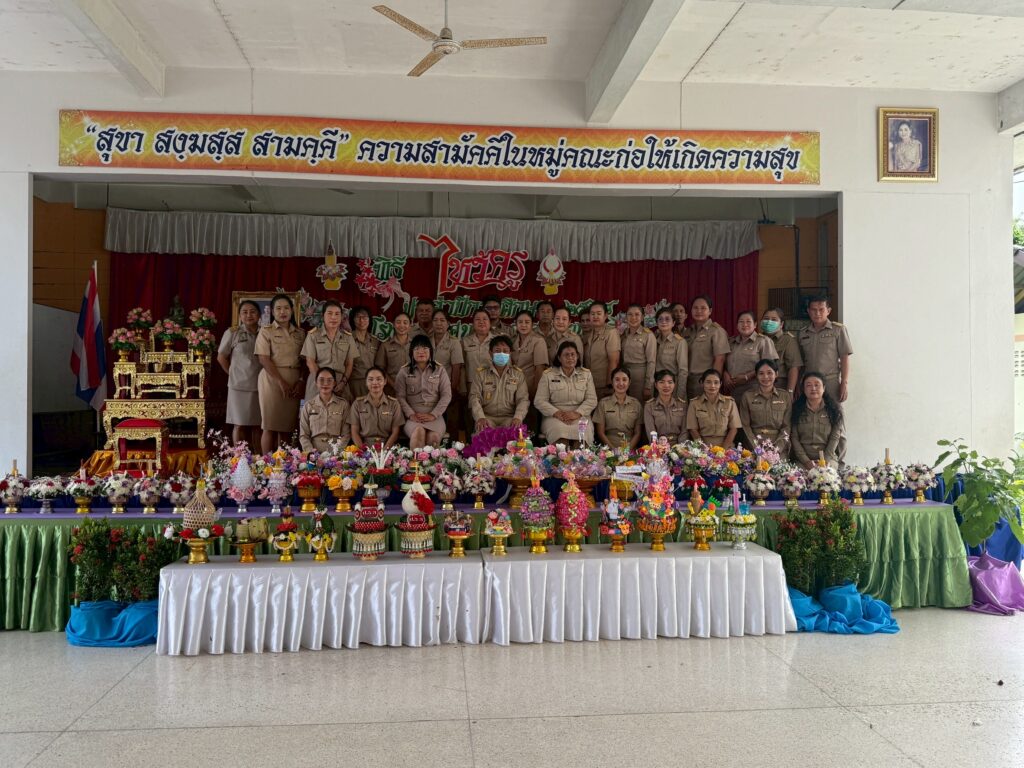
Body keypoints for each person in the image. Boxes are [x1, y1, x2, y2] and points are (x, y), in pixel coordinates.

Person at [254, 293, 306, 453]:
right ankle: (266, 462)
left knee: (287, 426)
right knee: (269, 425)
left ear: (292, 310)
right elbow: (263, 359)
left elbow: (305, 360)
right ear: (272, 312)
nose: (282, 312)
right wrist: (281, 382)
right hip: (271, 379)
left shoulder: (300, 333)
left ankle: (284, 463)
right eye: (278, 308)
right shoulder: (266, 331)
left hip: (294, 379)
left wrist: (301, 381)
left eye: (286, 308)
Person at [217, 299, 262, 447]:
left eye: (252, 312)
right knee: (239, 424)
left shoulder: (265, 333)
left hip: (260, 385)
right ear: (240, 315)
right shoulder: (233, 333)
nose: (249, 315)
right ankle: (240, 456)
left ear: (259, 315)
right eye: (245, 312)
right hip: (239, 386)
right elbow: (221, 357)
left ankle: (259, 456)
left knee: (258, 424)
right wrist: (232, 373)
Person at [534, 341, 598, 446]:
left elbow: (592, 399)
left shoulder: (586, 374)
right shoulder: (548, 375)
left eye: (573, 354)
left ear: (577, 356)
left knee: (582, 437)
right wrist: (557, 413)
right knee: (560, 437)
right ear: (559, 358)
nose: (570, 358)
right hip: (554, 417)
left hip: (580, 416)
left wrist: (576, 413)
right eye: (566, 355)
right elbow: (539, 401)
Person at [395, 335, 452, 448]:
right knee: (418, 434)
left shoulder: (440, 370)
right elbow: (399, 397)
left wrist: (433, 414)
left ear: (431, 351)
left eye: (425, 348)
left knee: (434, 438)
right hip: (413, 416)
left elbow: (446, 395)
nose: (421, 352)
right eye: (417, 349)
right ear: (411, 352)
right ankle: (415, 460)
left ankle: (432, 461)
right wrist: (411, 414)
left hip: (435, 416)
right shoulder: (404, 371)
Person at [468, 336, 530, 433]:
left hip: (510, 417)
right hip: (487, 417)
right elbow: (474, 398)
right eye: (497, 351)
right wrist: (480, 417)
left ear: (510, 353)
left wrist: (518, 417)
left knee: (515, 435)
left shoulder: (518, 375)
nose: (501, 354)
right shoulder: (481, 374)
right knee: (483, 433)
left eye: (505, 351)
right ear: (490, 353)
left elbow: (523, 399)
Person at [797, 296, 853, 402]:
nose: (817, 313)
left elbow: (844, 358)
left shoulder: (838, 330)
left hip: (830, 382)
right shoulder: (802, 333)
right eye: (814, 310)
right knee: (809, 411)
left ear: (828, 311)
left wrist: (844, 382)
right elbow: (800, 362)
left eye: (821, 309)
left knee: (832, 410)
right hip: (809, 383)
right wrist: (798, 384)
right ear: (808, 311)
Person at [301, 300, 357, 402]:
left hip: (340, 384)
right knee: (315, 411)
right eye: (330, 313)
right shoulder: (313, 335)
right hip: (317, 382)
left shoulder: (348, 337)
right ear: (323, 316)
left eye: (337, 314)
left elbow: (349, 364)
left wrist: (343, 382)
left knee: (341, 410)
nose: (333, 317)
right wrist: (322, 382)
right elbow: (310, 362)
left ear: (341, 317)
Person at [790, 371, 845, 468]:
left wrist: (825, 460)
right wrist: (806, 461)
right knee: (798, 476)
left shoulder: (835, 410)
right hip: (802, 460)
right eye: (809, 385)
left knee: (827, 475)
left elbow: (835, 437)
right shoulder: (795, 410)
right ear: (803, 389)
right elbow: (794, 438)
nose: (813, 388)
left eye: (817, 385)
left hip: (828, 458)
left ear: (824, 388)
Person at [739, 359, 792, 455]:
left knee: (779, 465)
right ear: (756, 376)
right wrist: (757, 448)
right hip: (753, 446)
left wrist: (776, 449)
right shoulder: (747, 396)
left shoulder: (785, 396)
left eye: (769, 373)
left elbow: (787, 426)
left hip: (778, 447)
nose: (766, 377)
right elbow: (745, 426)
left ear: (776, 374)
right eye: (761, 373)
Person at [725, 310, 778, 402]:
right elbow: (722, 361)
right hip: (733, 391)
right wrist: (725, 375)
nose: (744, 324)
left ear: (755, 324)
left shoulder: (763, 341)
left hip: (755, 390)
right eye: (741, 322)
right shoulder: (731, 342)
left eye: (748, 321)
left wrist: (747, 376)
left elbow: (770, 366)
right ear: (737, 325)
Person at [683, 295, 729, 400]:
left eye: (703, 308)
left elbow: (720, 359)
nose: (699, 311)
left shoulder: (717, 331)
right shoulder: (688, 331)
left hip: (704, 381)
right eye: (695, 308)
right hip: (686, 381)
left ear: (710, 311)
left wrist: (712, 383)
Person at [349, 367, 404, 449]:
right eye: (370, 379)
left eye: (379, 379)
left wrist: (385, 451)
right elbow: (354, 432)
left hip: (387, 447)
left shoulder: (394, 404)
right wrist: (363, 451)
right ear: (366, 382)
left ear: (385, 381)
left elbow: (395, 432)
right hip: (364, 447)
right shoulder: (357, 404)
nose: (375, 383)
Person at [299, 367, 351, 453]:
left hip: (336, 453)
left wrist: (336, 453)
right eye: (321, 380)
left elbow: (346, 434)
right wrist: (311, 454)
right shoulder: (308, 406)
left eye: (329, 380)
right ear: (316, 382)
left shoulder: (343, 405)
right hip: (313, 453)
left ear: (334, 383)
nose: (325, 383)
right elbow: (304, 436)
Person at [685, 368, 741, 448]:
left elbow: (734, 429)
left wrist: (723, 450)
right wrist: (704, 449)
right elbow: (693, 430)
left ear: (720, 384)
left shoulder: (729, 402)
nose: (712, 386)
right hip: (702, 447)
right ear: (702, 383)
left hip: (726, 446)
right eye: (708, 382)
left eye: (716, 382)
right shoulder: (694, 403)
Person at [594, 367, 643, 450]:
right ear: (612, 382)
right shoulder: (603, 403)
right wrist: (613, 450)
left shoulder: (636, 404)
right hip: (608, 449)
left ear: (629, 382)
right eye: (617, 380)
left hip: (630, 449)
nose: (621, 383)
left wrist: (627, 450)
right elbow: (600, 432)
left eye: (624, 380)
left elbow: (638, 433)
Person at [583, 301, 621, 399]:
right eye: (592, 314)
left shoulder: (611, 333)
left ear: (605, 316)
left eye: (599, 313)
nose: (595, 316)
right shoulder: (589, 334)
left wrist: (609, 385)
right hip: (589, 384)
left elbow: (614, 361)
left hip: (604, 386)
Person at [760, 308, 801, 394]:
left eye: (774, 319)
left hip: (779, 387)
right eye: (766, 318)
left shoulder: (788, 340)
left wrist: (790, 392)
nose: (769, 322)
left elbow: (793, 367)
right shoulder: (758, 339)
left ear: (781, 324)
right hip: (758, 386)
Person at [619, 304, 656, 402]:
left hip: (640, 377)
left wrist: (648, 386)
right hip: (624, 375)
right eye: (630, 314)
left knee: (639, 406)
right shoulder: (624, 334)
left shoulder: (648, 335)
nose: (633, 317)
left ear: (642, 317)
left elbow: (651, 362)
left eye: (637, 314)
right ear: (626, 317)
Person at [511, 311, 549, 399]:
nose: (523, 325)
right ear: (516, 324)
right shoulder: (513, 341)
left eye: (527, 322)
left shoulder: (538, 341)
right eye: (520, 322)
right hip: (513, 387)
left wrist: (535, 392)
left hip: (530, 388)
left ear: (532, 324)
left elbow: (539, 369)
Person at [644, 370, 687, 443]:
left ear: (674, 384)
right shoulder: (649, 406)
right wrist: (659, 447)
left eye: (670, 382)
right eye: (661, 382)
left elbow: (684, 432)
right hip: (658, 446)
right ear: (656, 385)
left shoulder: (682, 405)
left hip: (679, 446)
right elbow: (651, 432)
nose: (666, 385)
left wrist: (680, 447)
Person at [653, 307, 688, 397]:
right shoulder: (653, 340)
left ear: (673, 323)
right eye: (660, 319)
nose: (663, 322)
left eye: (667, 319)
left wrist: (680, 395)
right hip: (657, 387)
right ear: (657, 322)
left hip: (673, 386)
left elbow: (683, 371)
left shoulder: (680, 342)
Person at [348, 305, 380, 400]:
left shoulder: (375, 341)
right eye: (358, 317)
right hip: (354, 383)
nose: (361, 320)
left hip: (373, 383)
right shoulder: (347, 339)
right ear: (353, 320)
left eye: (365, 317)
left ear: (369, 319)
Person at [374, 312, 412, 393]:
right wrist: (393, 384)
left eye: (405, 323)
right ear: (393, 325)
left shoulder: (416, 345)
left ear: (410, 326)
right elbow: (380, 369)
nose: (401, 325)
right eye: (398, 322)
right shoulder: (385, 345)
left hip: (412, 391)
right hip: (391, 390)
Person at [460, 308, 494, 393]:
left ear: (490, 322)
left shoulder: (498, 340)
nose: (481, 322)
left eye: (485, 319)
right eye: (477, 319)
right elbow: (462, 366)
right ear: (473, 323)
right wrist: (462, 387)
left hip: (493, 383)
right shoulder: (465, 341)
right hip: (472, 384)